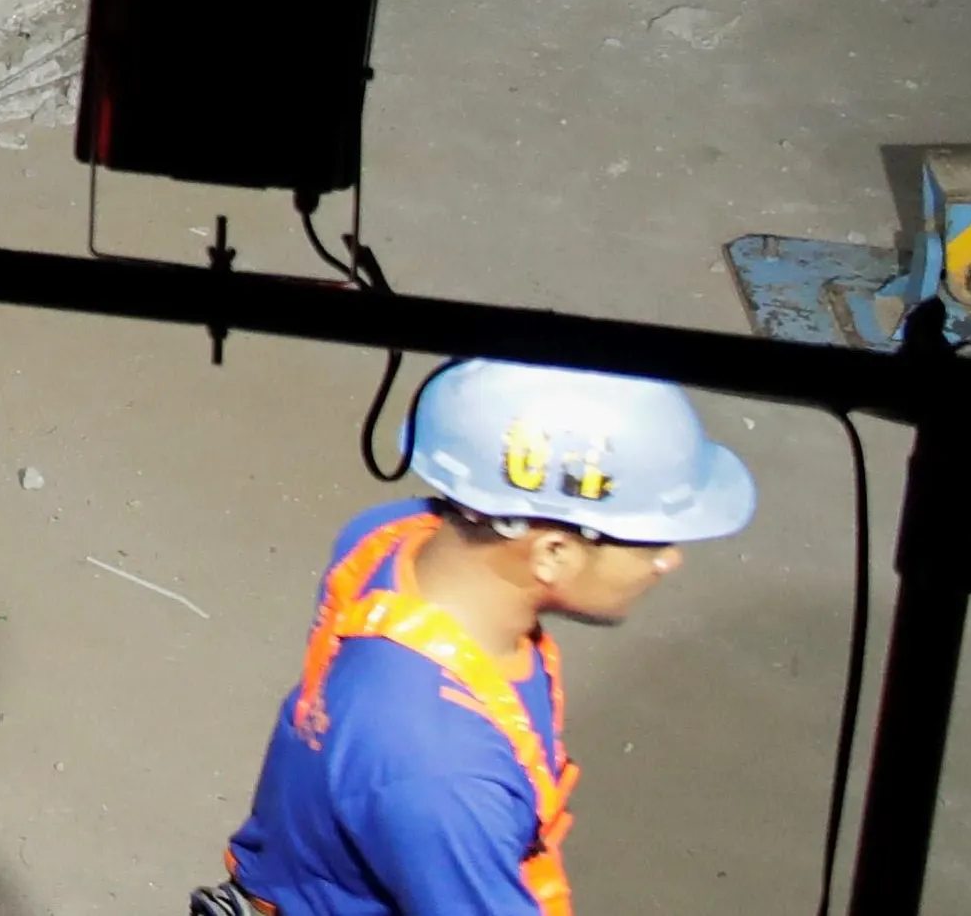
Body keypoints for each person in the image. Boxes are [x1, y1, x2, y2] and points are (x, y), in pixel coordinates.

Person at [211, 357, 758, 916]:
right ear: (552, 553)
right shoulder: (441, 768)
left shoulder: (392, 537)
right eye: (650, 543)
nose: (669, 561)